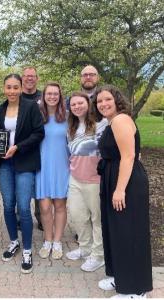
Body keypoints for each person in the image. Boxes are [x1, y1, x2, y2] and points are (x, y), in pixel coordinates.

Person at [93, 85, 153, 298]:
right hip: (114, 177)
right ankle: (119, 275)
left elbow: (128, 157)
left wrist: (120, 190)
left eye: (107, 99)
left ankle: (136, 290)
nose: (103, 104)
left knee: (129, 233)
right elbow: (132, 153)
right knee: (115, 231)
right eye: (99, 101)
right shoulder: (112, 122)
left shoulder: (120, 120)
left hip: (125, 184)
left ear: (117, 100)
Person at [0, 74, 44, 274]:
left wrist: (17, 147)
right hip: (5, 163)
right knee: (8, 205)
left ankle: (26, 249)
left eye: (16, 87)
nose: (12, 91)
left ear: (21, 87)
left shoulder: (31, 106)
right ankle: (14, 242)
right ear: (4, 88)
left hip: (25, 161)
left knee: (24, 207)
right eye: (9, 87)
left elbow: (39, 133)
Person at [65, 91, 107, 272]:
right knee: (77, 216)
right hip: (75, 179)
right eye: (73, 104)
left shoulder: (102, 124)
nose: (76, 107)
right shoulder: (71, 129)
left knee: (97, 219)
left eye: (80, 103)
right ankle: (85, 247)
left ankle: (98, 255)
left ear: (88, 103)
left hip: (95, 180)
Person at [35, 82, 70, 260]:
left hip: (61, 166)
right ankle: (47, 240)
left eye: (56, 94)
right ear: (44, 96)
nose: (52, 96)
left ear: (60, 96)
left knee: (60, 205)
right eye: (49, 93)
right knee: (45, 206)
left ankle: (57, 242)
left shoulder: (67, 117)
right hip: (42, 166)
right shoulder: (37, 116)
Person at [22, 66, 43, 231]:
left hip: (41, 145)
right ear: (22, 78)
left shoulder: (44, 97)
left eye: (32, 76)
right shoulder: (16, 96)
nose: (29, 79)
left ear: (37, 78)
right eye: (26, 76)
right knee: (23, 184)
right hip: (21, 148)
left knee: (40, 183)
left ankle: (41, 217)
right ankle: (22, 217)